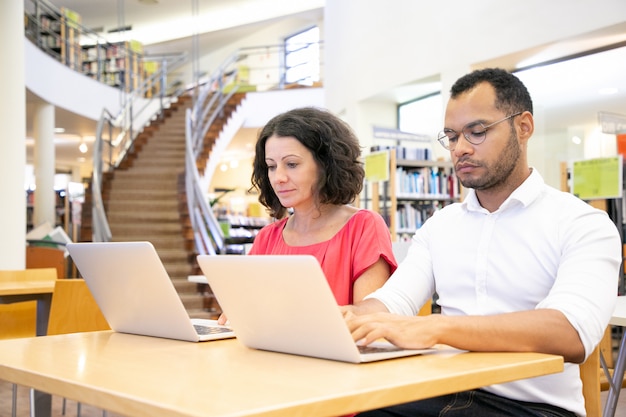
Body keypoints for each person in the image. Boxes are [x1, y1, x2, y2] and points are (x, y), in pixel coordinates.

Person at [343, 68, 622, 417]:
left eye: (476, 132)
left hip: (533, 407)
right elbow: (394, 299)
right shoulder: (441, 225)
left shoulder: (583, 224)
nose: (460, 148)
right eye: (451, 136)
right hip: (439, 390)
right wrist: (350, 318)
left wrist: (436, 328)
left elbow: (571, 332)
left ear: (523, 127)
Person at [220, 107, 396, 320]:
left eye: (292, 164)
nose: (278, 178)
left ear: (325, 165)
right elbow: (249, 308)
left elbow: (369, 323)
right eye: (271, 166)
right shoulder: (268, 237)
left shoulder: (364, 227)